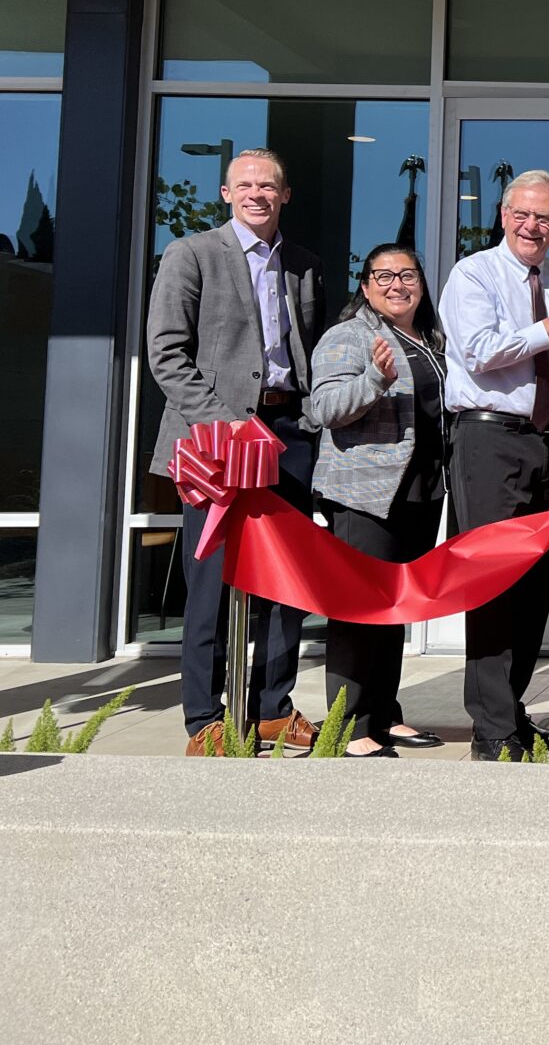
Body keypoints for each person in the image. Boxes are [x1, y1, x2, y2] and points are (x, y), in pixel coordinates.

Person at [146, 147, 325, 757]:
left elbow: (306, 354)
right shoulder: (190, 254)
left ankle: (272, 709)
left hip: (289, 436)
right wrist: (229, 424)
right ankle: (204, 719)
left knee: (286, 583)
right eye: (245, 185)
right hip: (216, 440)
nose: (257, 194)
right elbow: (167, 354)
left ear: (285, 195)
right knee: (212, 585)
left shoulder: (303, 265)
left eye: (268, 185)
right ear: (226, 194)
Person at [440, 169, 549, 761]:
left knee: (534, 585)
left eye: (545, 218)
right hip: (489, 440)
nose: (532, 226)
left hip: (545, 441)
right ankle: (491, 730)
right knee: (492, 584)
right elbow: (480, 353)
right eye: (522, 214)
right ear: (504, 215)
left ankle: (511, 711)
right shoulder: (474, 274)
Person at [306, 244, 448, 757]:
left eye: (407, 275)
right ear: (365, 286)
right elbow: (323, 407)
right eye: (383, 276)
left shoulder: (430, 339)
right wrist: (374, 381)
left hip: (419, 489)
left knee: (395, 609)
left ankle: (385, 714)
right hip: (364, 492)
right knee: (358, 612)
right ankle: (348, 728)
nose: (396, 285)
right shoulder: (349, 336)